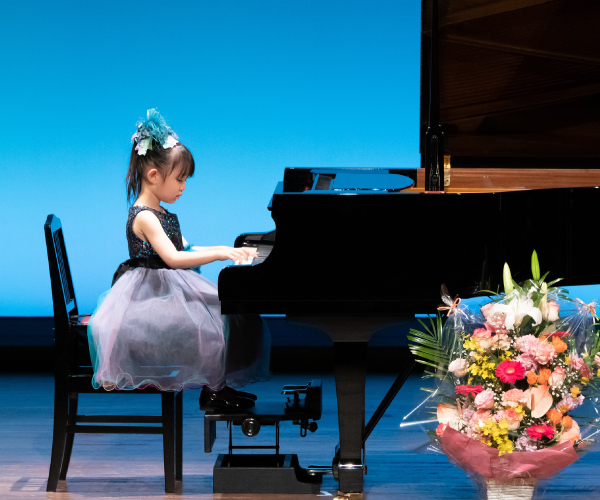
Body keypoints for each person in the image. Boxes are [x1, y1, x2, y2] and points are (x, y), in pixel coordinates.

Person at [87, 109, 270, 410]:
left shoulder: (160, 212)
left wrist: (230, 249)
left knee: (230, 312)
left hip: (167, 288)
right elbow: (173, 258)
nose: (183, 187)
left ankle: (218, 386)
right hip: (150, 296)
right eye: (180, 179)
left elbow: (189, 247)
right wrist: (223, 253)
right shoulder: (144, 216)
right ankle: (213, 389)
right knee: (210, 327)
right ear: (154, 175)